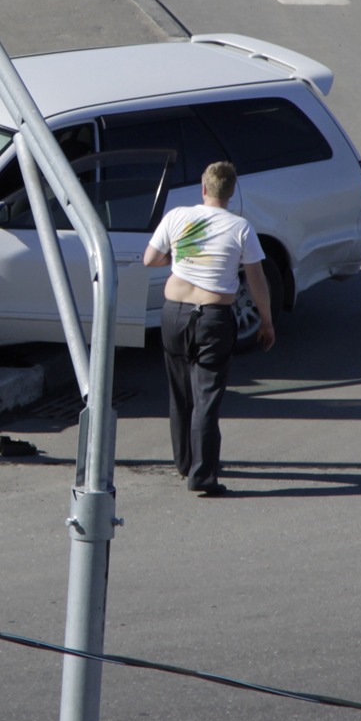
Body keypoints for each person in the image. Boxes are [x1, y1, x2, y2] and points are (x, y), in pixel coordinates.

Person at [142, 161, 276, 496]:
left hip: (173, 313)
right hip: (213, 318)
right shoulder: (240, 228)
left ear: (203, 189)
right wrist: (266, 321)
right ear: (231, 193)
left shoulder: (177, 216)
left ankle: (184, 462)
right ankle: (202, 476)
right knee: (207, 397)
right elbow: (256, 280)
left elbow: (151, 259)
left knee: (180, 393)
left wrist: (178, 256)